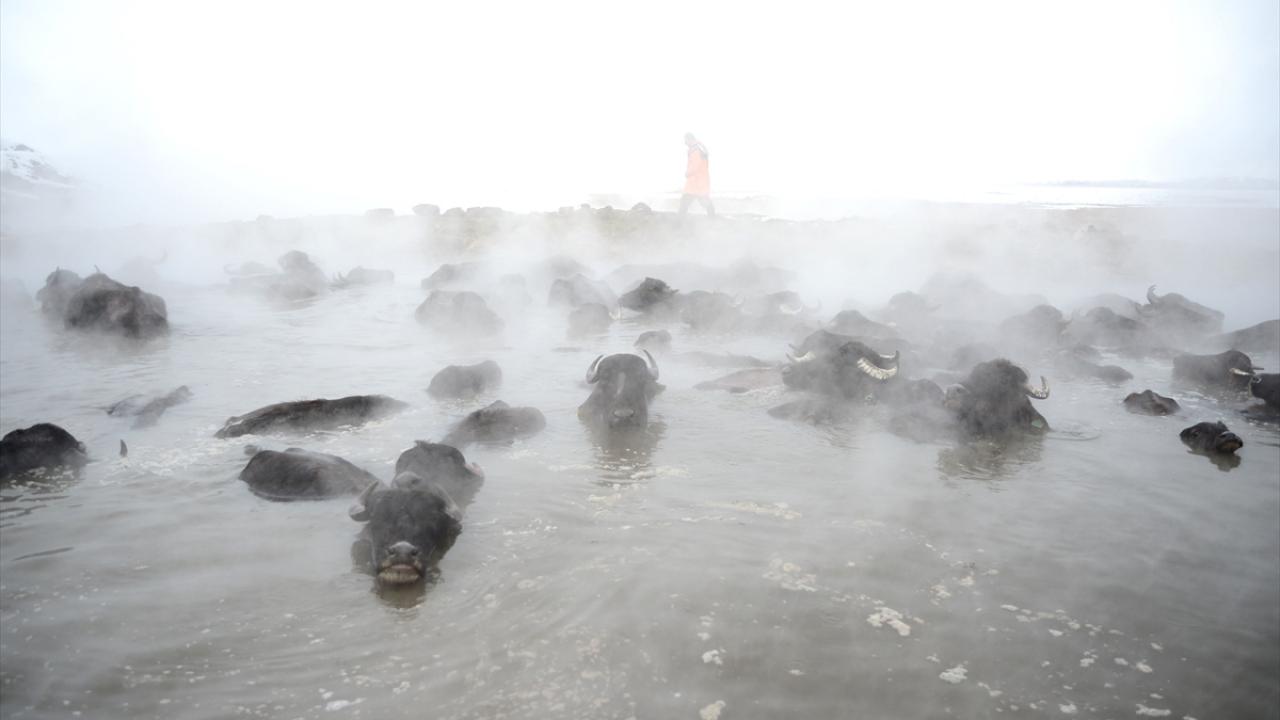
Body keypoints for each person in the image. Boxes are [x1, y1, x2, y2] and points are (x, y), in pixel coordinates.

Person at [679, 133, 715, 216]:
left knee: (684, 203)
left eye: (685, 140)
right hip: (700, 181)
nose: (685, 143)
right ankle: (712, 218)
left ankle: (678, 224)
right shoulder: (699, 148)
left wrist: (688, 173)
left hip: (695, 181)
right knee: (704, 201)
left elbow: (696, 165)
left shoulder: (695, 150)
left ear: (689, 139)